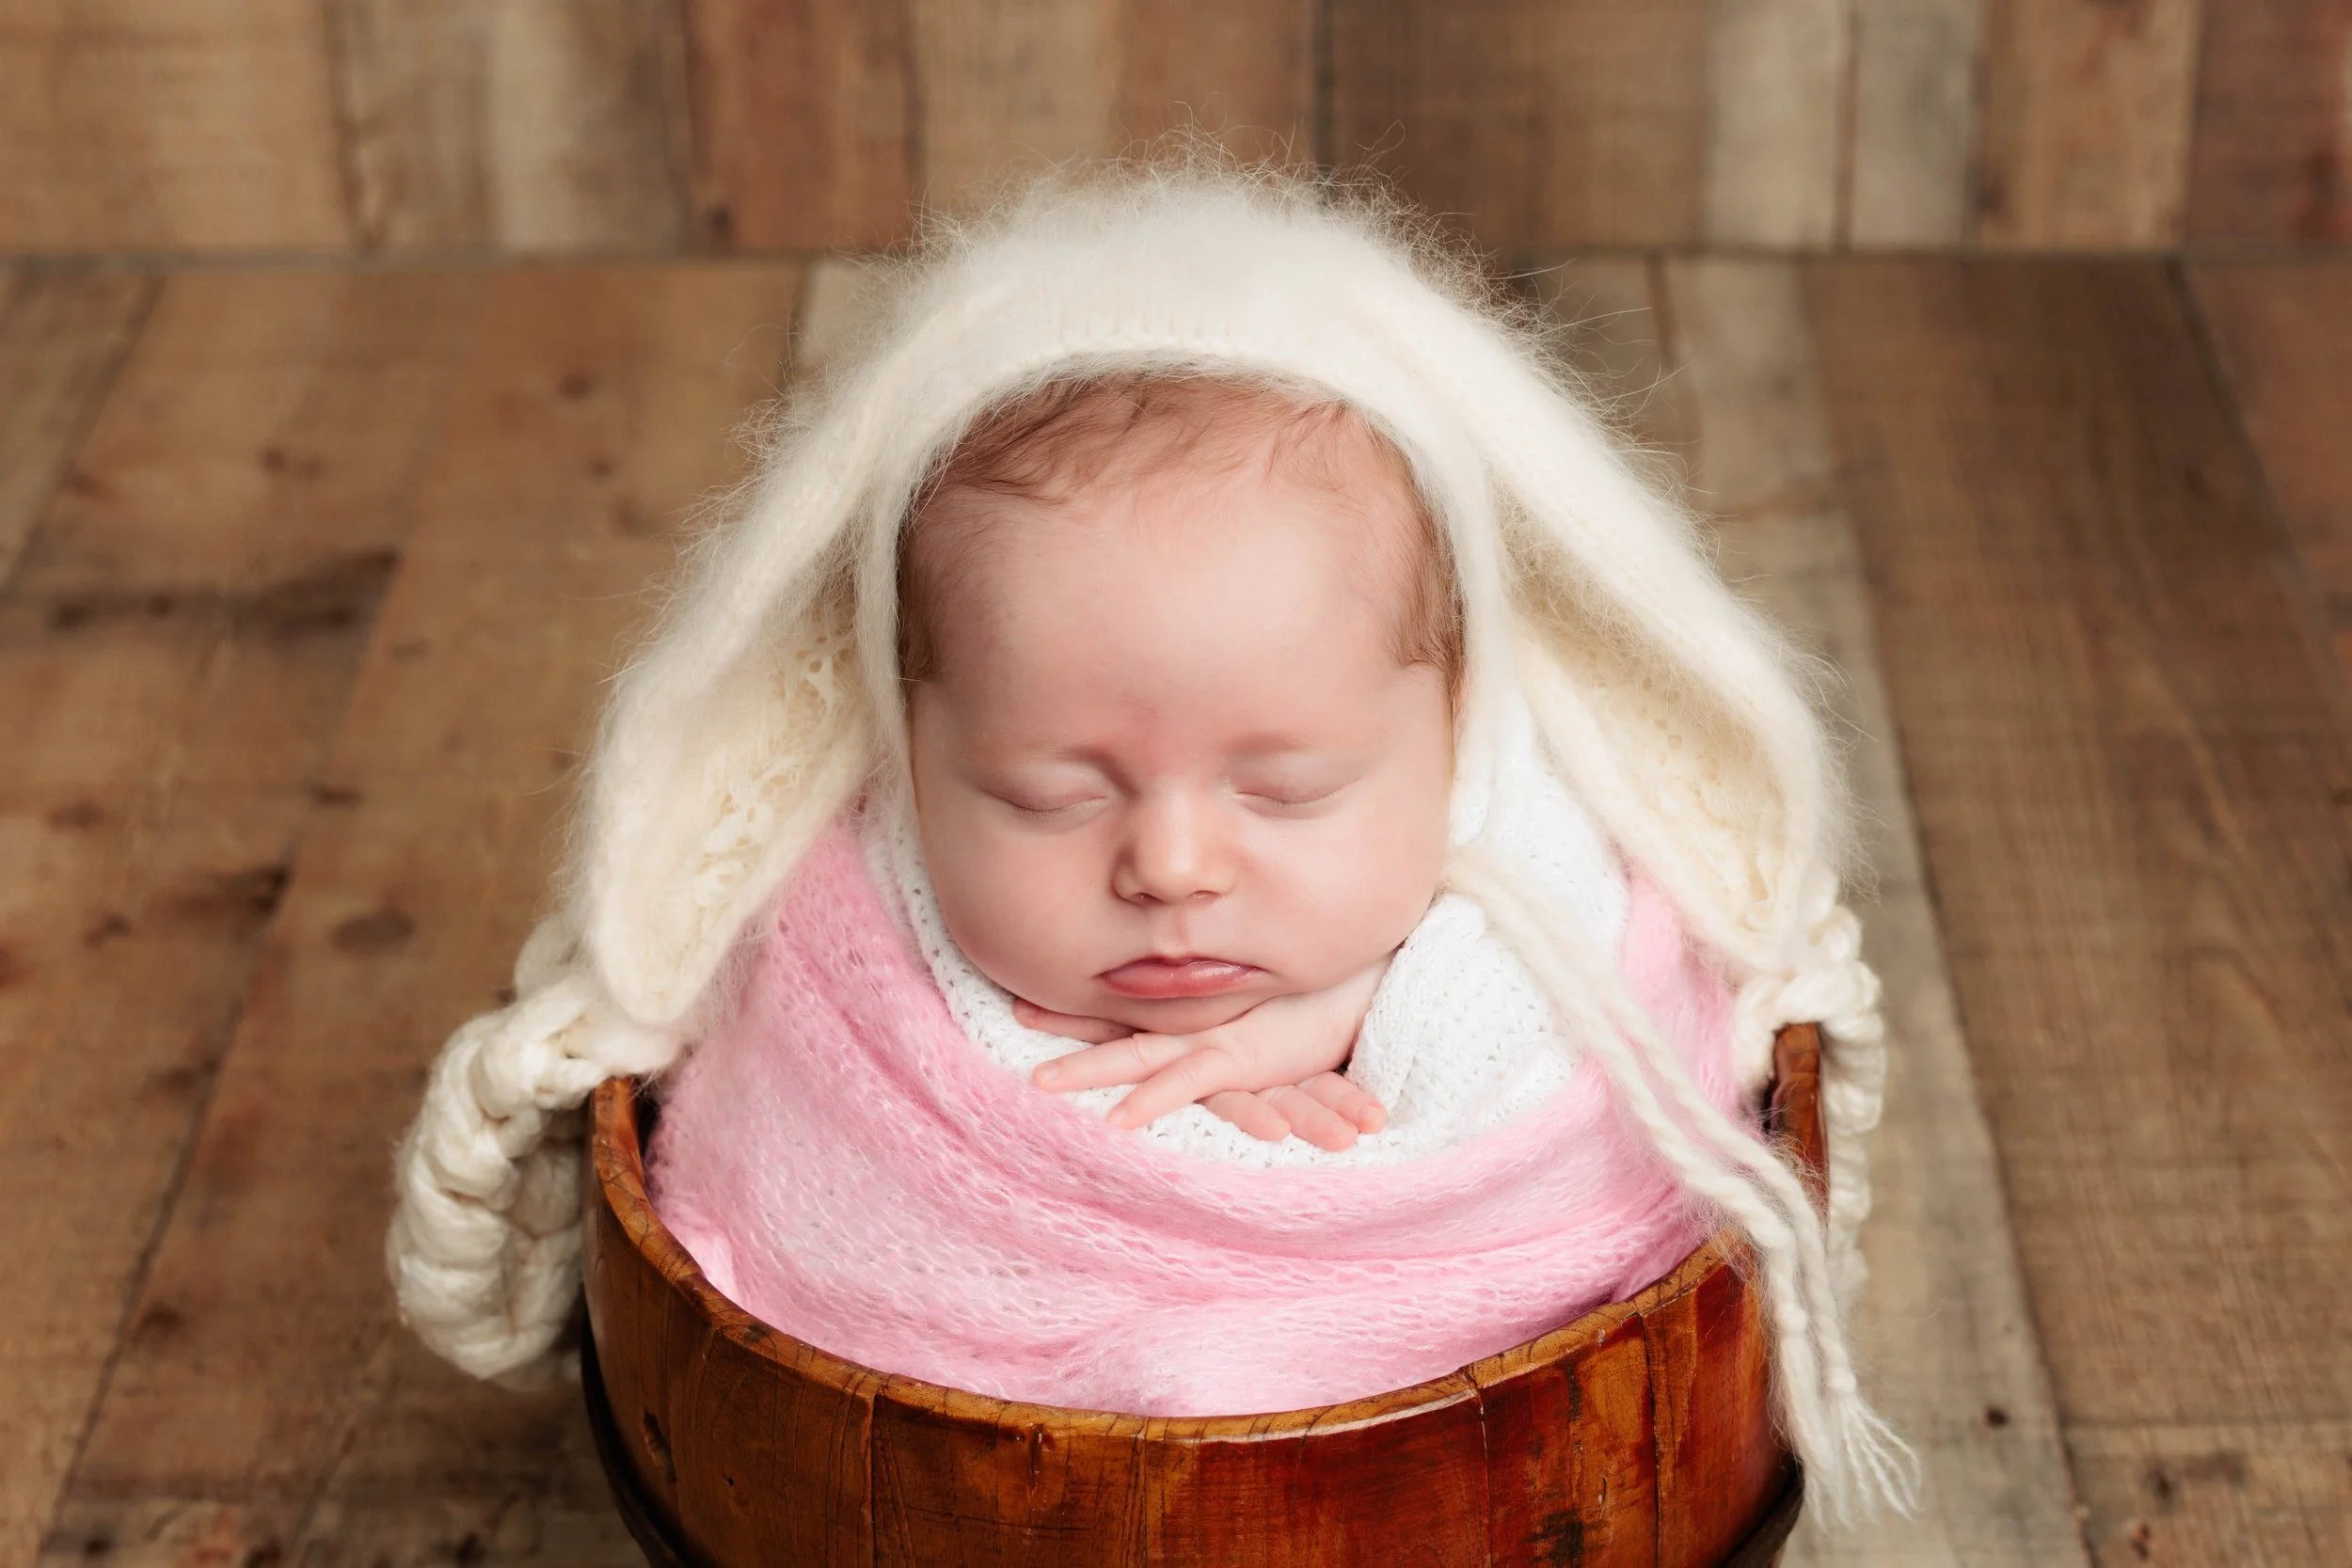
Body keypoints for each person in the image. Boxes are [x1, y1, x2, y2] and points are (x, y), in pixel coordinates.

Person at [388, 160, 1916, 1520]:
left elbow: (1571, 1016)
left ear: (1455, 733)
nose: (1172, 865)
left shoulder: (1556, 908)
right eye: (1052, 793)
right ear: (908, 747)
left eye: (1291, 787)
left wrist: (1336, 1022)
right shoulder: (822, 961)